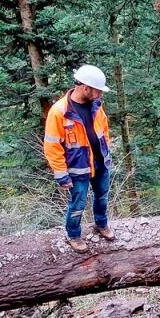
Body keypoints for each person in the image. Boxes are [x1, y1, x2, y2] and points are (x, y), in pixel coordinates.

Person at [43, 65, 114, 252]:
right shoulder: (59, 111)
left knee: (102, 197)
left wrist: (107, 152)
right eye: (97, 90)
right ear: (85, 88)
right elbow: (52, 146)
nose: (100, 94)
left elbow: (104, 130)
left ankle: (101, 224)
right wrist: (61, 174)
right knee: (78, 204)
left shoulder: (97, 105)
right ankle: (73, 234)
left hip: (100, 163)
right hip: (78, 168)